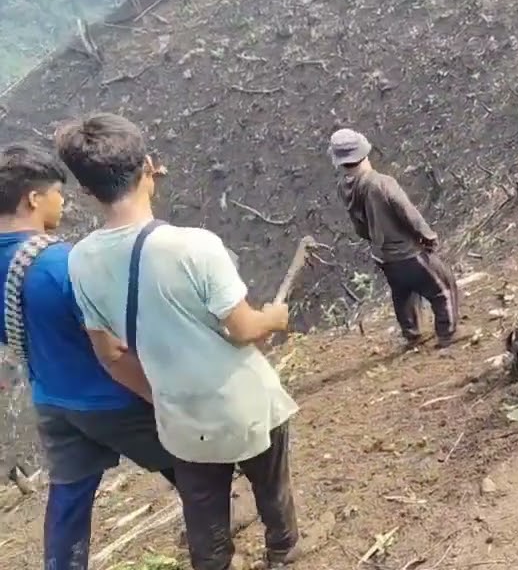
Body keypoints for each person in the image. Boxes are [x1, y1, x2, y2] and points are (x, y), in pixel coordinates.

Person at [56, 113, 299, 570]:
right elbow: (244, 329)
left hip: (181, 419)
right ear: (149, 168)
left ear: (87, 192)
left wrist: (159, 395)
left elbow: (110, 354)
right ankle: (283, 552)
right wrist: (275, 318)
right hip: (243, 402)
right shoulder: (194, 246)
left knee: (203, 507)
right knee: (271, 486)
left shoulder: (81, 261)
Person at [0, 143, 176, 570]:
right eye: (58, 193)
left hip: (51, 401)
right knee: (191, 462)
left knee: (69, 497)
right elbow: (113, 341)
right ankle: (220, 528)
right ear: (34, 199)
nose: (62, 202)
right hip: (110, 399)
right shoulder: (61, 263)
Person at [329, 128, 461, 348]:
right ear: (365, 150)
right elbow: (408, 212)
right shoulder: (381, 183)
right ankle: (447, 334)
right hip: (407, 252)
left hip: (383, 256)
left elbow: (359, 226)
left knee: (403, 294)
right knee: (443, 288)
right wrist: (427, 236)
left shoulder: (344, 187)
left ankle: (413, 334)